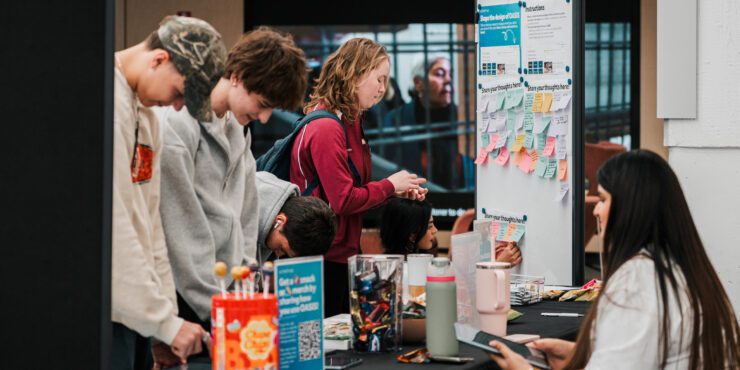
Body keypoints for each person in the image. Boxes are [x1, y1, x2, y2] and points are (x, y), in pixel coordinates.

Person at [489, 150, 740, 370]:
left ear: (630, 209)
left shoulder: (638, 280)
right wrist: (584, 356)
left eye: (603, 199)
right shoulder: (682, 269)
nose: (596, 210)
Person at [157, 26, 306, 347]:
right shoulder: (177, 125)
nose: (264, 118)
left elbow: (245, 217)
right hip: (186, 297)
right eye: (262, 103)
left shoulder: (238, 129)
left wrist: (246, 292)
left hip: (225, 297)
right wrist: (217, 308)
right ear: (236, 75)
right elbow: (179, 228)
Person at [112, 16, 227, 370]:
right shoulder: (105, 104)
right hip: (101, 306)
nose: (178, 106)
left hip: (134, 308)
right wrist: (163, 321)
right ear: (159, 59)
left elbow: (150, 226)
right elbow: (113, 225)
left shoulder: (145, 116)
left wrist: (164, 322)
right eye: (180, 93)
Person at [290, 38, 427, 317]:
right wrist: (389, 185)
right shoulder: (327, 127)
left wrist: (394, 191)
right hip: (320, 259)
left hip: (341, 255)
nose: (382, 88)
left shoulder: (351, 121)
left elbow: (355, 192)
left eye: (385, 80)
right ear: (355, 74)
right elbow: (342, 201)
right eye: (379, 78)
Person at [384, 55, 470, 190]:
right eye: (440, 74)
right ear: (418, 83)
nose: (448, 80)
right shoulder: (395, 120)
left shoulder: (464, 119)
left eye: (451, 74)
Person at [256, 171, 337, 262]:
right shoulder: (239, 209)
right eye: (281, 248)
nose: (278, 254)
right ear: (280, 221)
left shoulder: (272, 225)